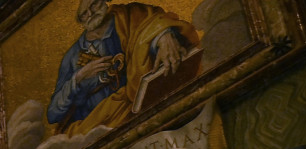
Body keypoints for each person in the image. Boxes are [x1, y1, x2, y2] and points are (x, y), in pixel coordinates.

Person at [46, 0, 199, 136]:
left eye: (93, 4)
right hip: (102, 125)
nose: (90, 13)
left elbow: (153, 23)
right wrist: (78, 78)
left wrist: (162, 35)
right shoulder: (72, 56)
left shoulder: (130, 15)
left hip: (147, 105)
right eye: (83, 14)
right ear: (80, 21)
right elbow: (53, 114)